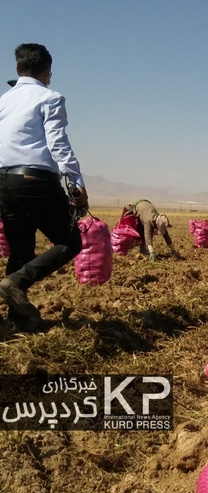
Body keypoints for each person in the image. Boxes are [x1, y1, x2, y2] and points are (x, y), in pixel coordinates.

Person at [0, 43, 89, 330]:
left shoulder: (4, 100)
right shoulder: (50, 97)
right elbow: (59, 145)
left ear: (17, 69)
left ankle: (17, 321)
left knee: (21, 250)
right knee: (70, 241)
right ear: (47, 72)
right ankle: (16, 281)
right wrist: (76, 185)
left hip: (3, 182)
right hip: (34, 180)